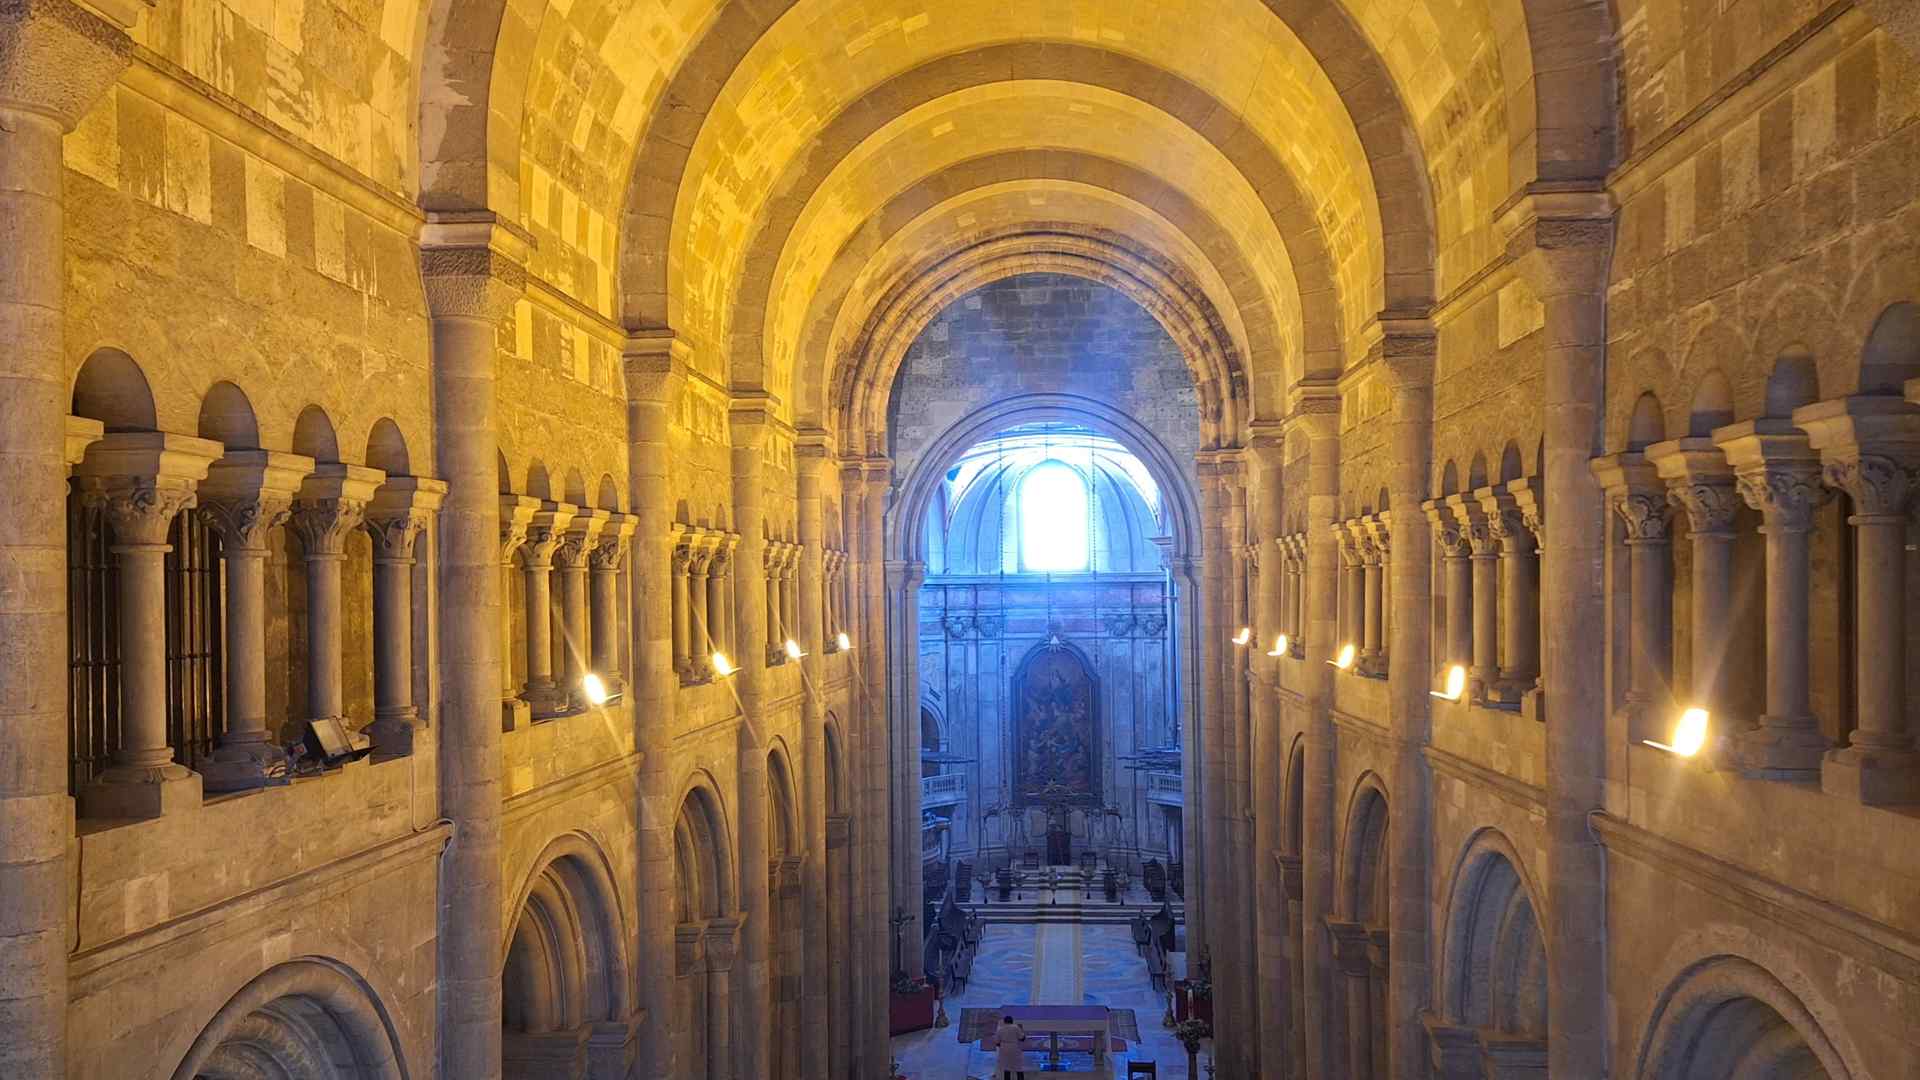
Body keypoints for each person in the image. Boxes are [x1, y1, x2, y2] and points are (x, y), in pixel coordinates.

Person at [994, 1014, 1027, 1080]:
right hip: (1015, 1047)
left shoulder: (1000, 1029)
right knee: (1018, 1067)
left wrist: (1002, 1045)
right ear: (1012, 1021)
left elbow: (997, 1042)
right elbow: (1022, 1038)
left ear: (1004, 1021)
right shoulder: (1016, 1027)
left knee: (1006, 1068)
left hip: (1004, 1048)